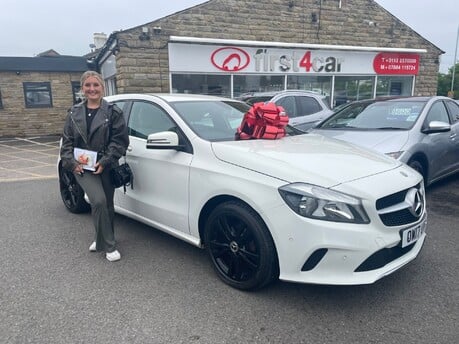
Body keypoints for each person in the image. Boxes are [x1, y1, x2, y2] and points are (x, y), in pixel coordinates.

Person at [60, 71, 129, 262]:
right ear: (82, 88)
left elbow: (120, 141)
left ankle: (101, 238)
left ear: (102, 87)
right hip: (82, 167)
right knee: (97, 200)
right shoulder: (74, 113)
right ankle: (109, 245)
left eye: (96, 85)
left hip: (106, 164)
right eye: (88, 85)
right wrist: (73, 165)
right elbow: (66, 144)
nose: (92, 89)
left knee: (107, 205)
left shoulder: (114, 112)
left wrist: (105, 161)